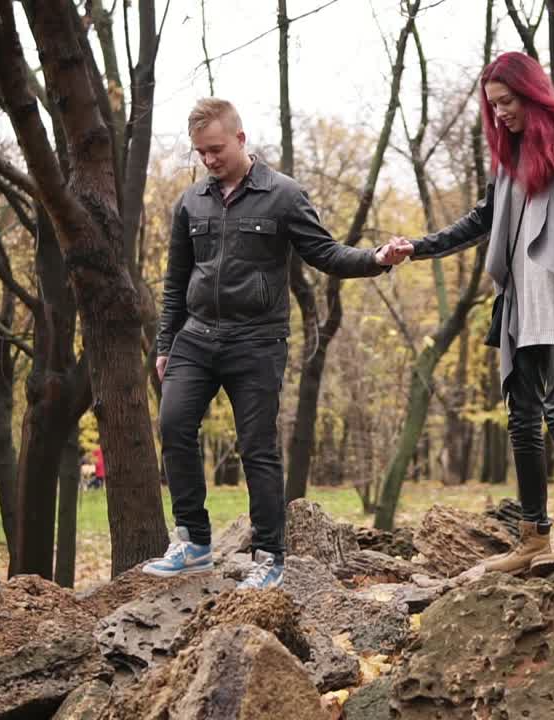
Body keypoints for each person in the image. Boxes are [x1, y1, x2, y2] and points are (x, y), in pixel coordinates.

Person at [144, 98, 410, 585]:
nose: (208, 160)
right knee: (174, 424)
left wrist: (377, 258)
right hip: (196, 337)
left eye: (216, 149)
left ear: (240, 140)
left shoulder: (283, 195)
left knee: (257, 448)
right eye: (200, 152)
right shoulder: (191, 203)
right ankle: (193, 542)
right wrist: (165, 344)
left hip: (256, 341)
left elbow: (326, 253)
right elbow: (175, 279)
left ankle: (269, 557)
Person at [390, 52, 554, 575]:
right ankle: (532, 535)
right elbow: (481, 220)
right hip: (521, 304)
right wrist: (420, 246)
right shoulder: (509, 159)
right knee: (521, 419)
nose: (499, 113)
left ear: (530, 93)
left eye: (507, 101)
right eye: (493, 105)